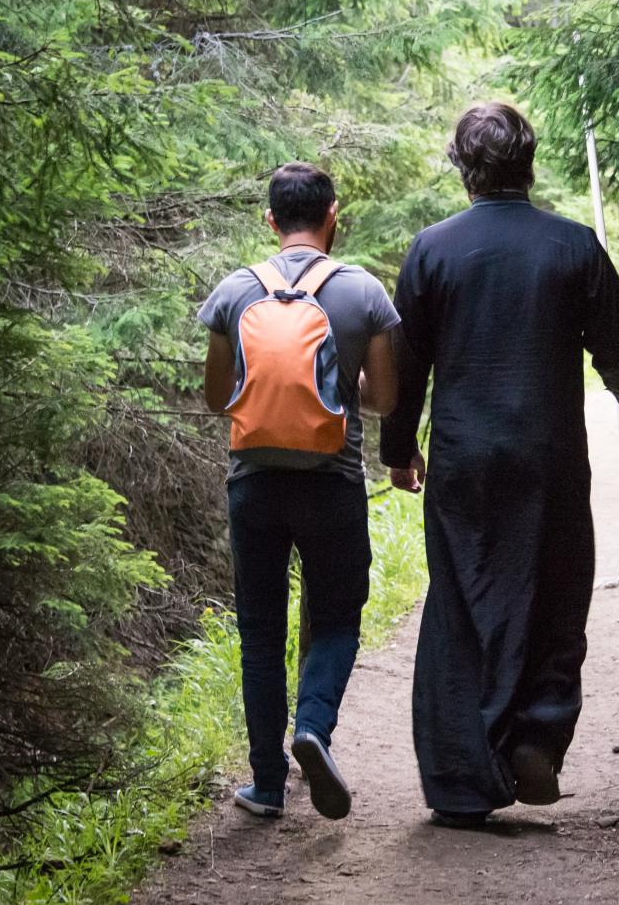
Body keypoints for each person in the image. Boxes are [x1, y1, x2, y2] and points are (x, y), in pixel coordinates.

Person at [382, 102, 619, 828]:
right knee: (556, 589)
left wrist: (398, 448)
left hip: (465, 459)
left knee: (463, 603)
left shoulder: (431, 250)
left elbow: (405, 368)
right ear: (527, 163)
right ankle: (536, 732)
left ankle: (464, 779)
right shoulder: (573, 246)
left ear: (463, 169)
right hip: (550, 455)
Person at [200, 162, 401, 820]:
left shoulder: (235, 291)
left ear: (270, 221)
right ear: (332, 214)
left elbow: (215, 398)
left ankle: (265, 785)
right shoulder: (364, 292)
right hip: (331, 483)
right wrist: (341, 386)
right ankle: (312, 726)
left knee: (259, 632)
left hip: (253, 485)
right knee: (338, 617)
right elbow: (386, 401)